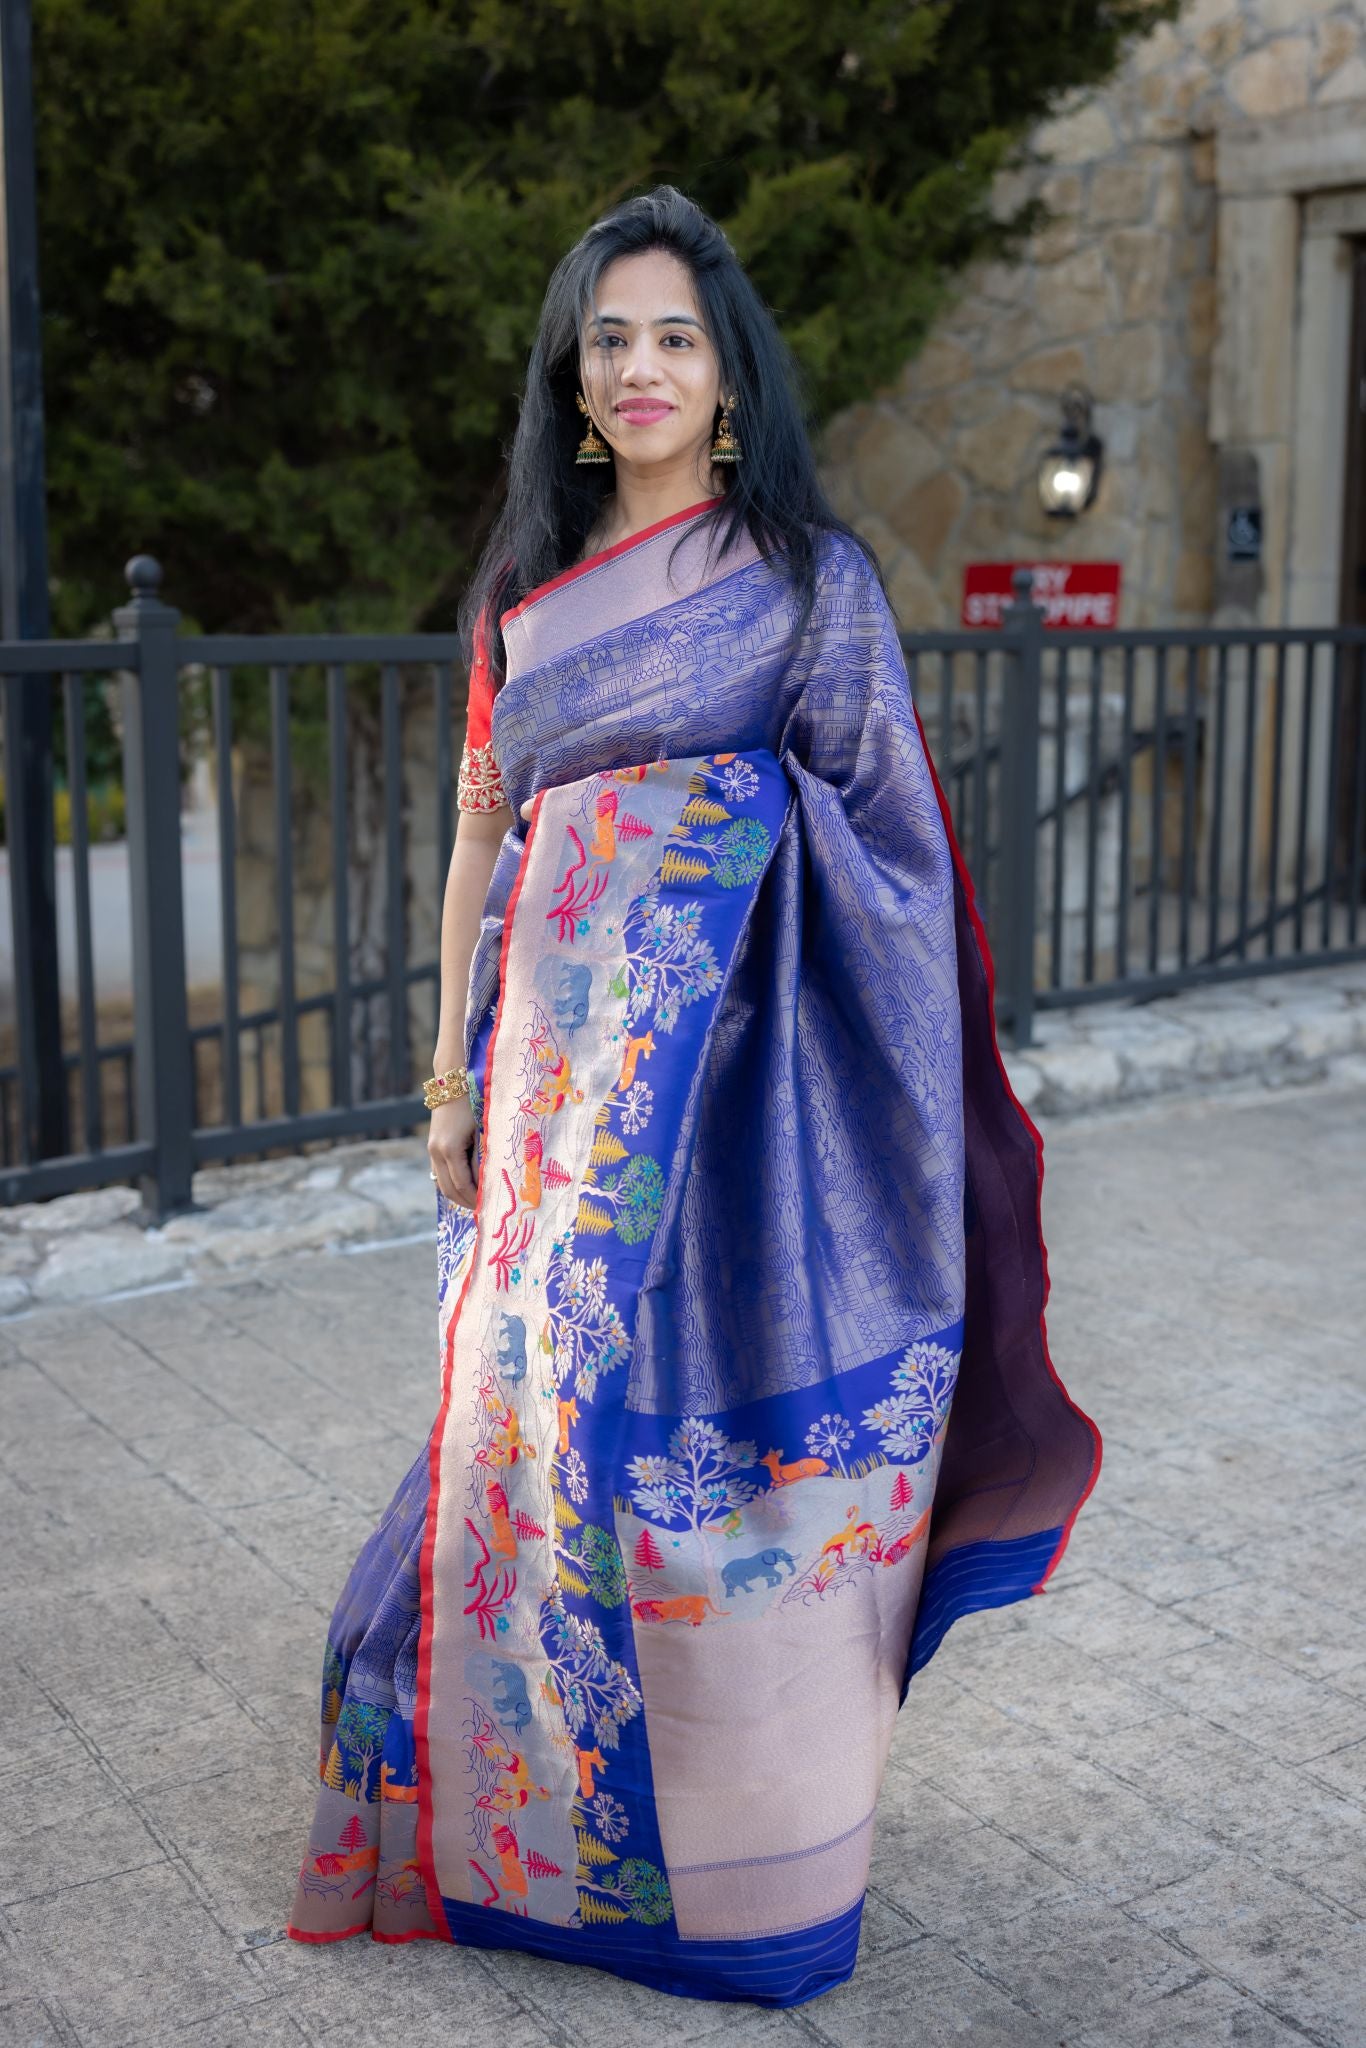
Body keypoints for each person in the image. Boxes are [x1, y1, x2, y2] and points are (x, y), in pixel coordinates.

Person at [286, 184, 1101, 2006]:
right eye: (608, 340)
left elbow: (885, 843)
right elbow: (482, 839)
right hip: (550, 1112)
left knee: (726, 1491)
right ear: (572, 383)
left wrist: (690, 836)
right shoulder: (524, 603)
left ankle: (751, 1875)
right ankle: (543, 1849)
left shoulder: (806, 582)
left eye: (674, 336)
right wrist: (446, 1075)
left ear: (728, 376)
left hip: (754, 1133)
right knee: (535, 1449)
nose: (639, 367)